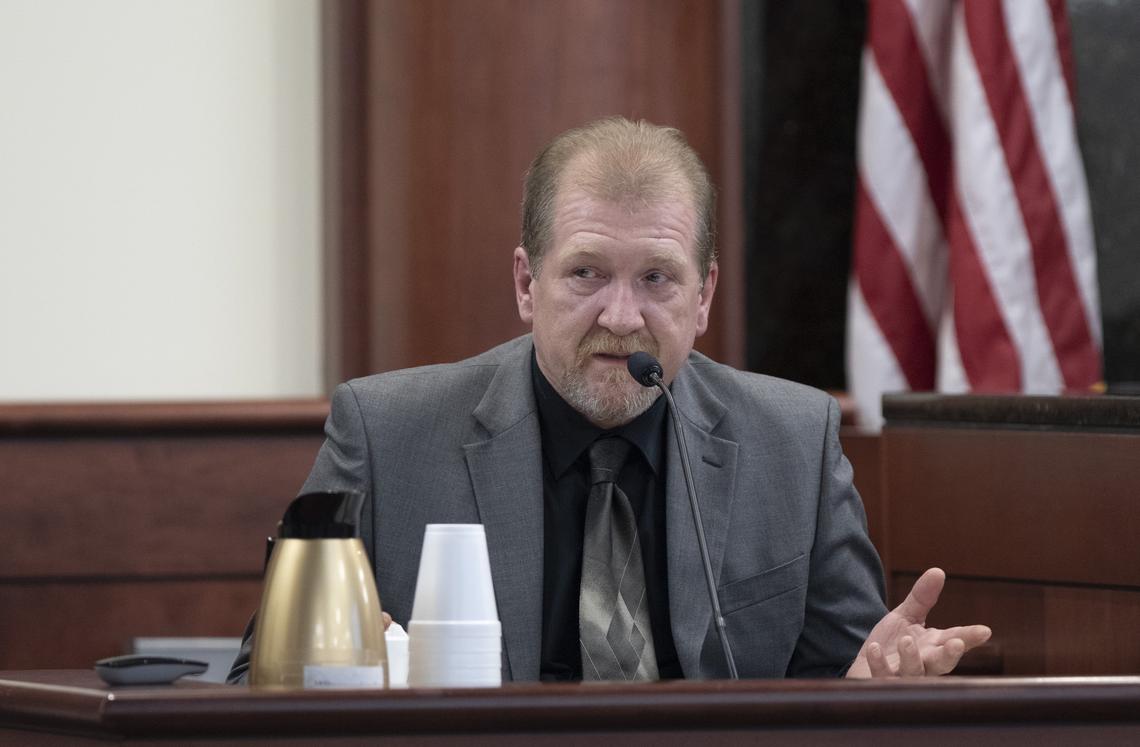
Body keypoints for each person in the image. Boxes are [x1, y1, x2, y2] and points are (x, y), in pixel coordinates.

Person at [231, 117, 989, 683]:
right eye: (587, 273)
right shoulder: (389, 436)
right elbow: (253, 685)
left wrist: (872, 689)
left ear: (704, 297)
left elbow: (845, 679)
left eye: (657, 278)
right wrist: (351, 677)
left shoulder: (792, 440)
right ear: (528, 285)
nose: (622, 318)